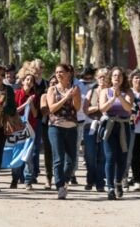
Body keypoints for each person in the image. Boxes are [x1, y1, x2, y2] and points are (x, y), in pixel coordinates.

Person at [47, 64, 81, 199]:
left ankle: (65, 180)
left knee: (71, 160)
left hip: (71, 127)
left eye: (62, 72)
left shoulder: (75, 89)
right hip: (56, 127)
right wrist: (65, 97)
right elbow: (52, 108)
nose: (58, 74)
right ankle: (60, 186)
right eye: (56, 72)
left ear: (69, 74)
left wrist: (74, 96)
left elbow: (77, 108)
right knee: (59, 158)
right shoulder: (52, 89)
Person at [99, 67, 134, 200]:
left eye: (119, 75)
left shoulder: (128, 92)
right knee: (110, 156)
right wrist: (113, 98)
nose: (116, 78)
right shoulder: (104, 91)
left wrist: (120, 96)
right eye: (114, 75)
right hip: (109, 126)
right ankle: (110, 187)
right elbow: (102, 108)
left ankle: (118, 182)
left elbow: (128, 109)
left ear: (123, 78)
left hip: (123, 126)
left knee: (122, 157)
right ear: (110, 77)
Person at [11, 72, 39, 190]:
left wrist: (31, 103)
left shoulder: (34, 96)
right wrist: (25, 105)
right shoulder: (16, 94)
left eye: (31, 81)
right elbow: (14, 111)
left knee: (29, 155)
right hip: (17, 128)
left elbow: (35, 114)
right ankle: (15, 179)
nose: (29, 82)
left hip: (30, 129)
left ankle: (28, 180)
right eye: (27, 79)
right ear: (22, 82)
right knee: (17, 153)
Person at [83, 68, 108, 192]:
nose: (102, 79)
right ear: (96, 78)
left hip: (106, 126)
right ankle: (90, 180)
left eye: (104, 77)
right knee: (90, 156)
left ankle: (100, 183)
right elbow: (85, 110)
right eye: (100, 77)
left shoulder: (110, 92)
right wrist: (99, 107)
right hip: (90, 127)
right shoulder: (91, 92)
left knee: (102, 156)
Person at [40, 75, 57, 189]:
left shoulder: (64, 94)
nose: (54, 85)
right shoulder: (44, 96)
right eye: (51, 83)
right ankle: (48, 178)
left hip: (62, 125)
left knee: (60, 153)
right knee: (48, 153)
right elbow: (44, 110)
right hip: (47, 126)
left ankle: (61, 178)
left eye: (56, 83)